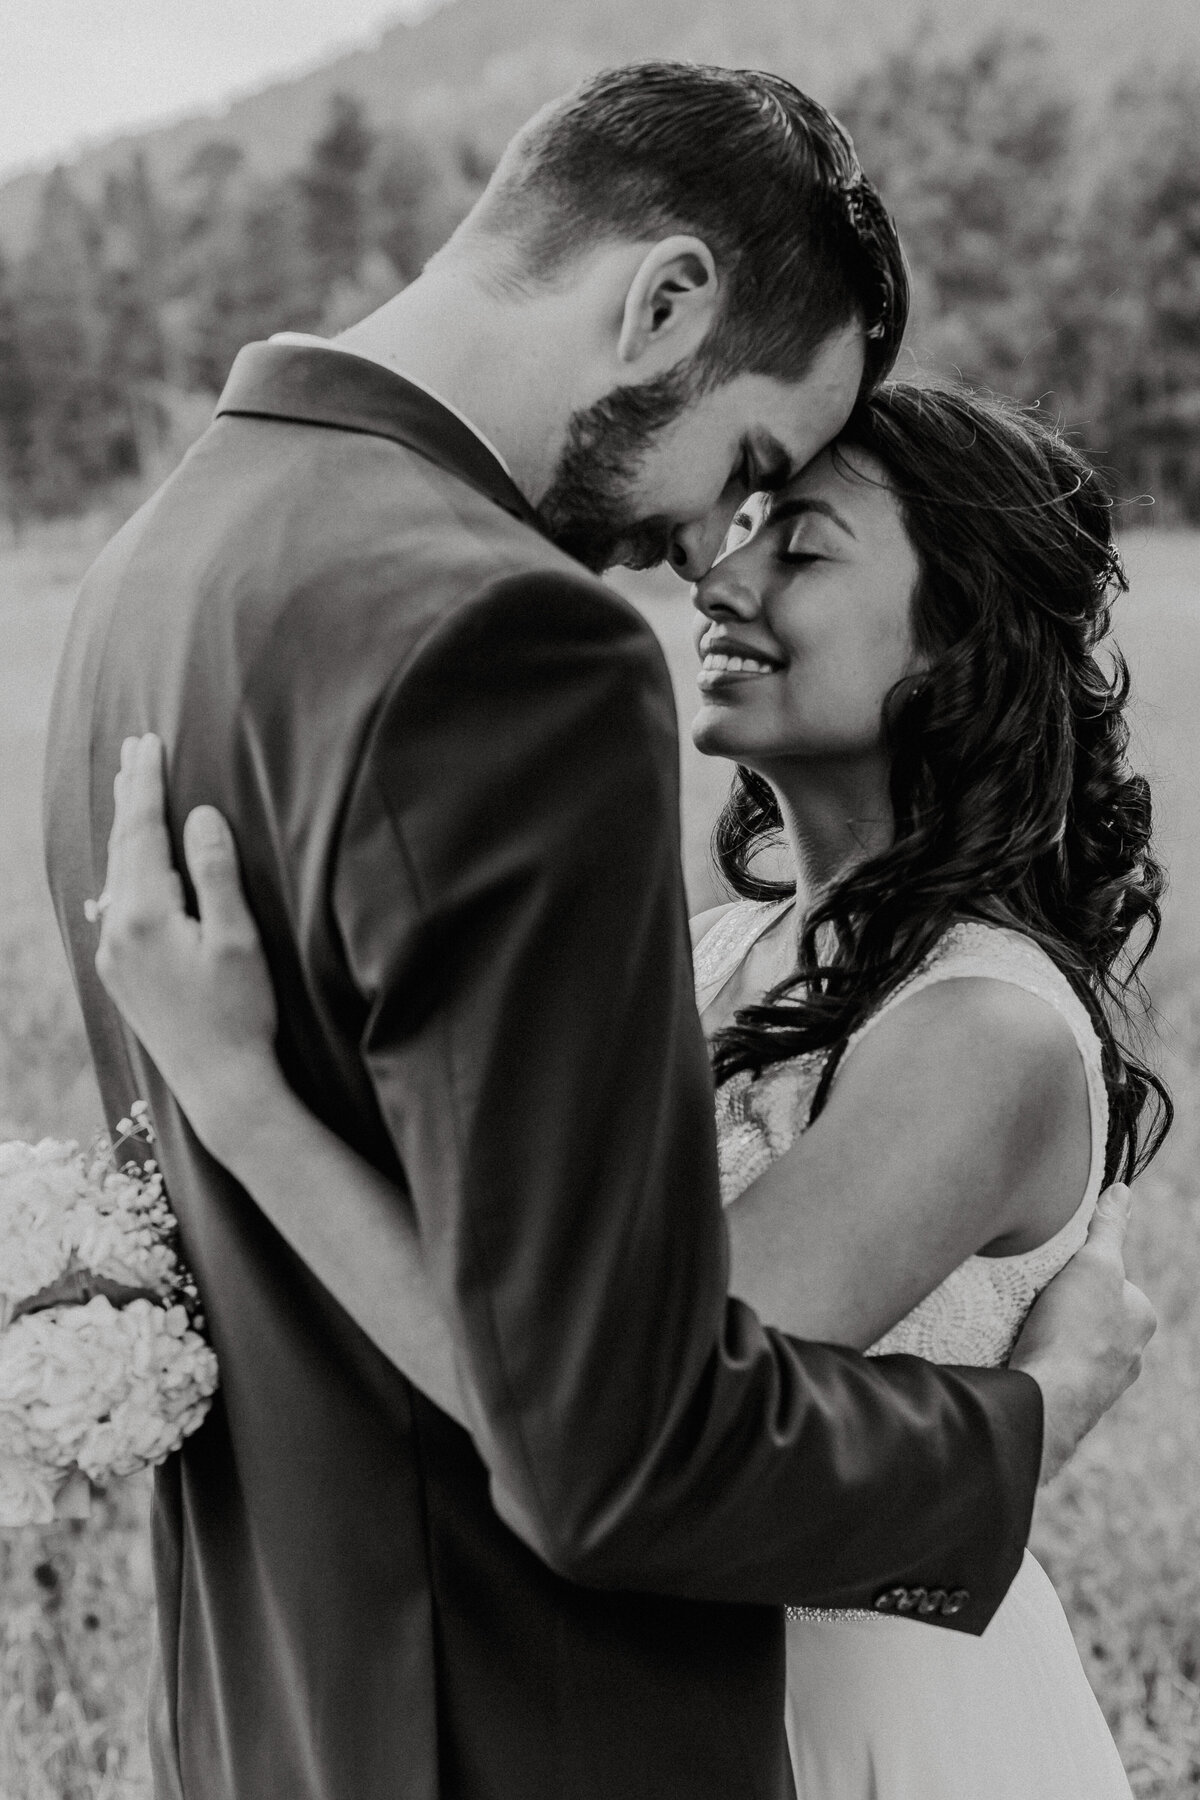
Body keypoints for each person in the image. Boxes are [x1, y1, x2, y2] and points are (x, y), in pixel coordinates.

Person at [44, 62, 1151, 1800]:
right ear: (665, 301)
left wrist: (240, 1114)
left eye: (796, 532)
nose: (712, 556)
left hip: (364, 1696)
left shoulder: (145, 576)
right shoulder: (525, 668)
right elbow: (625, 1433)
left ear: (957, 649)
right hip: (539, 1706)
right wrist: (1032, 1420)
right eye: (754, 477)